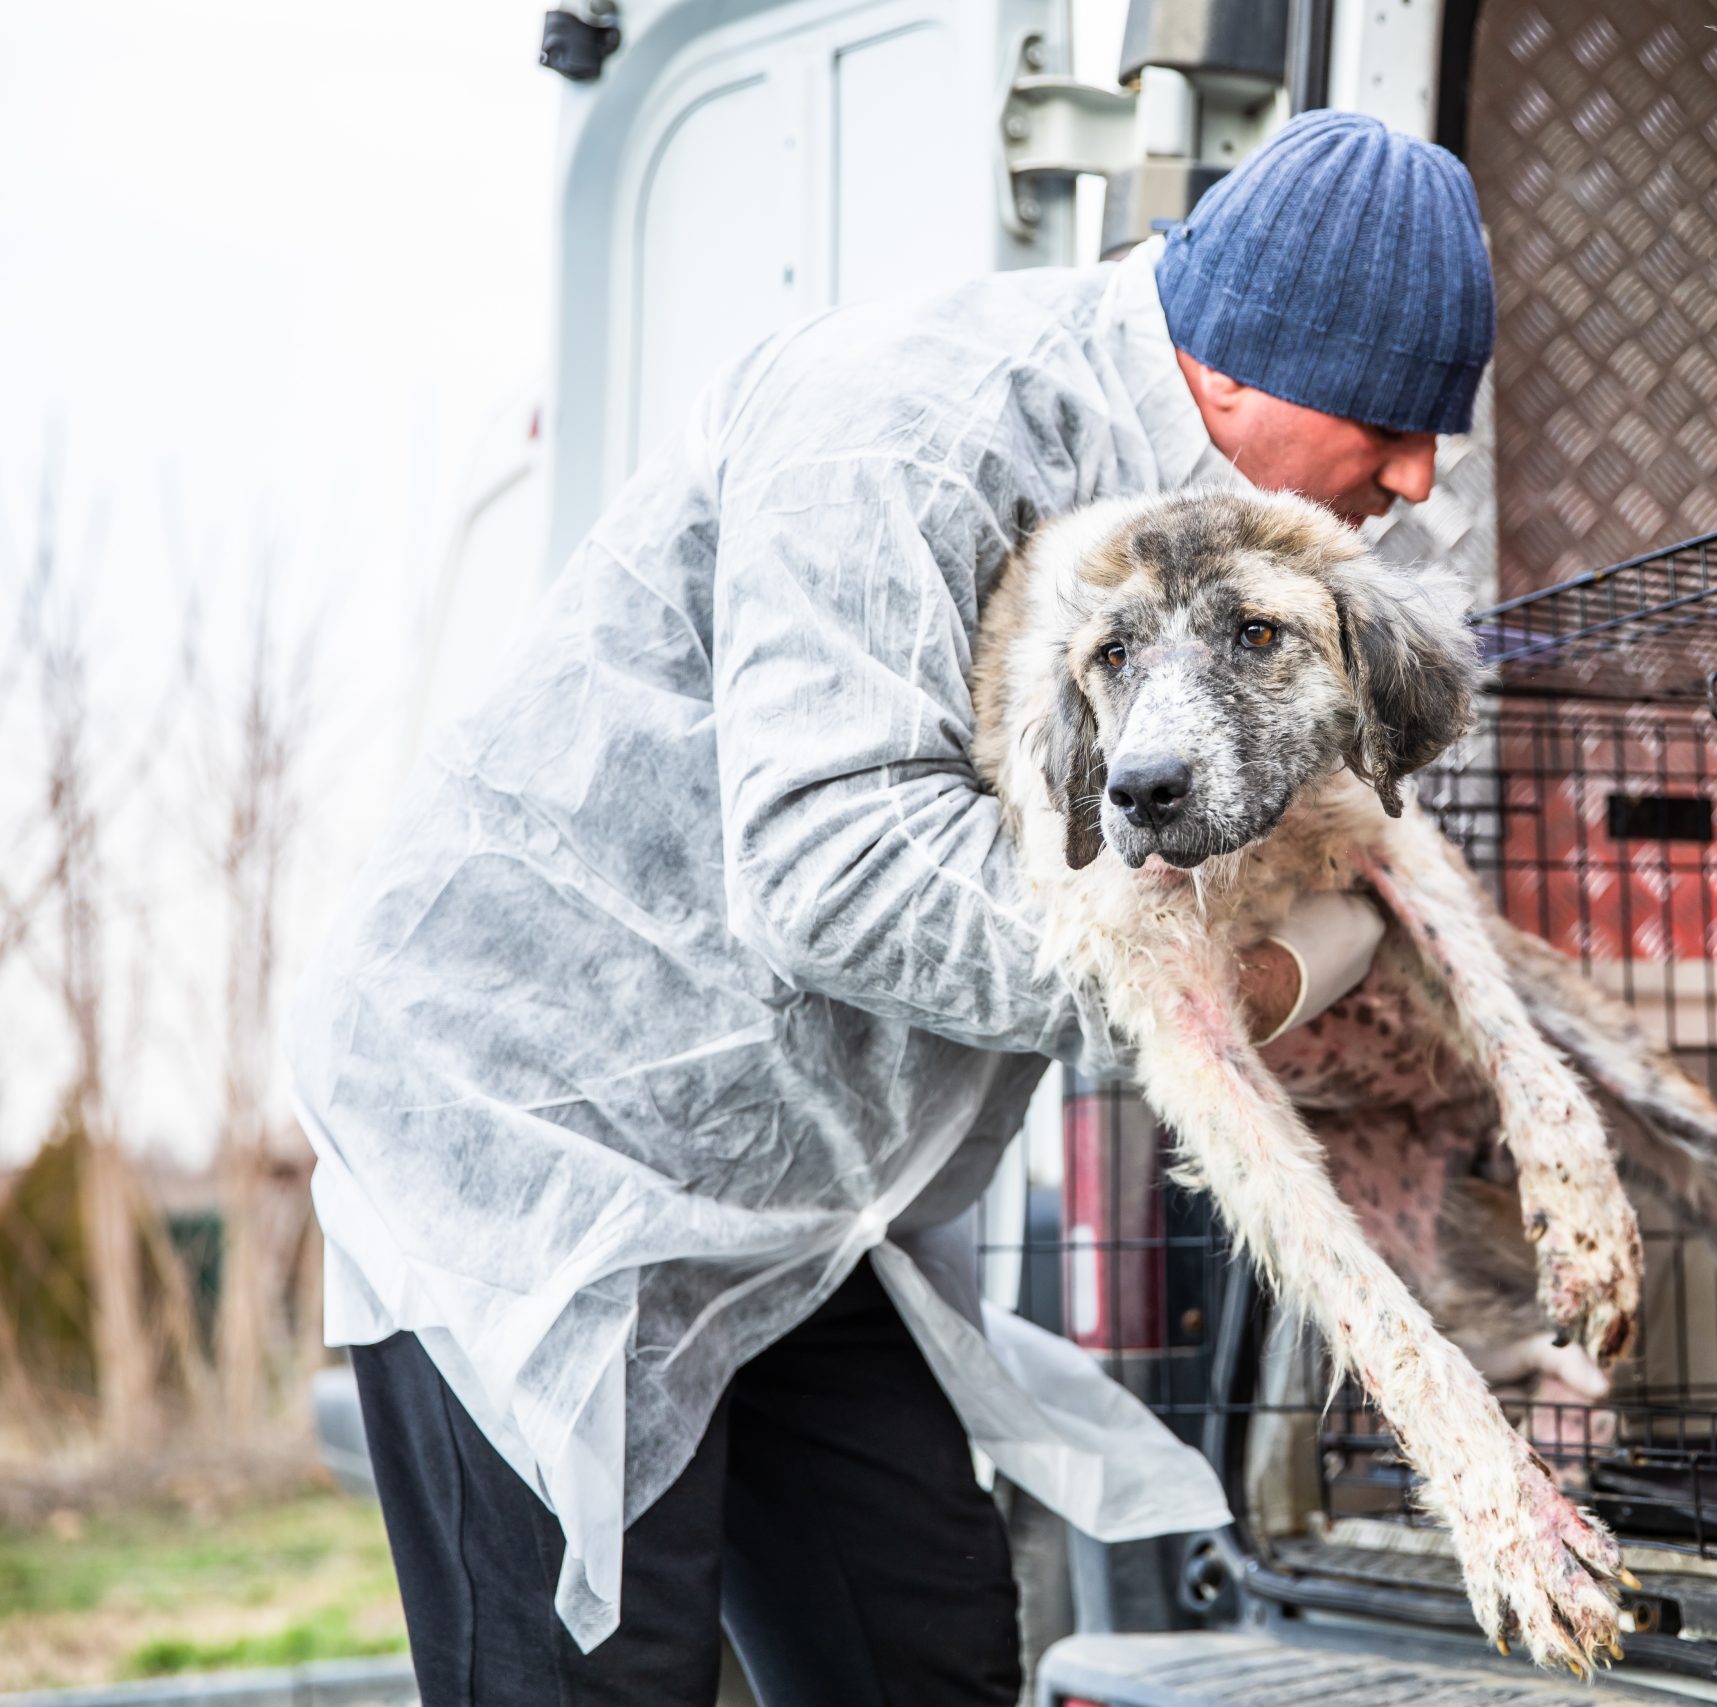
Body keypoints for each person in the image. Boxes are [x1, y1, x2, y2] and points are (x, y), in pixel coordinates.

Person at [286, 109, 1497, 1707]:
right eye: (1390, 425)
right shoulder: (917, 428)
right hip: (535, 1143)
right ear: (1238, 378)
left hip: (793, 1205)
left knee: (918, 1650)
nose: (1414, 477)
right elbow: (831, 864)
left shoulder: (1221, 509)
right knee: (599, 1677)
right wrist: (1236, 985)